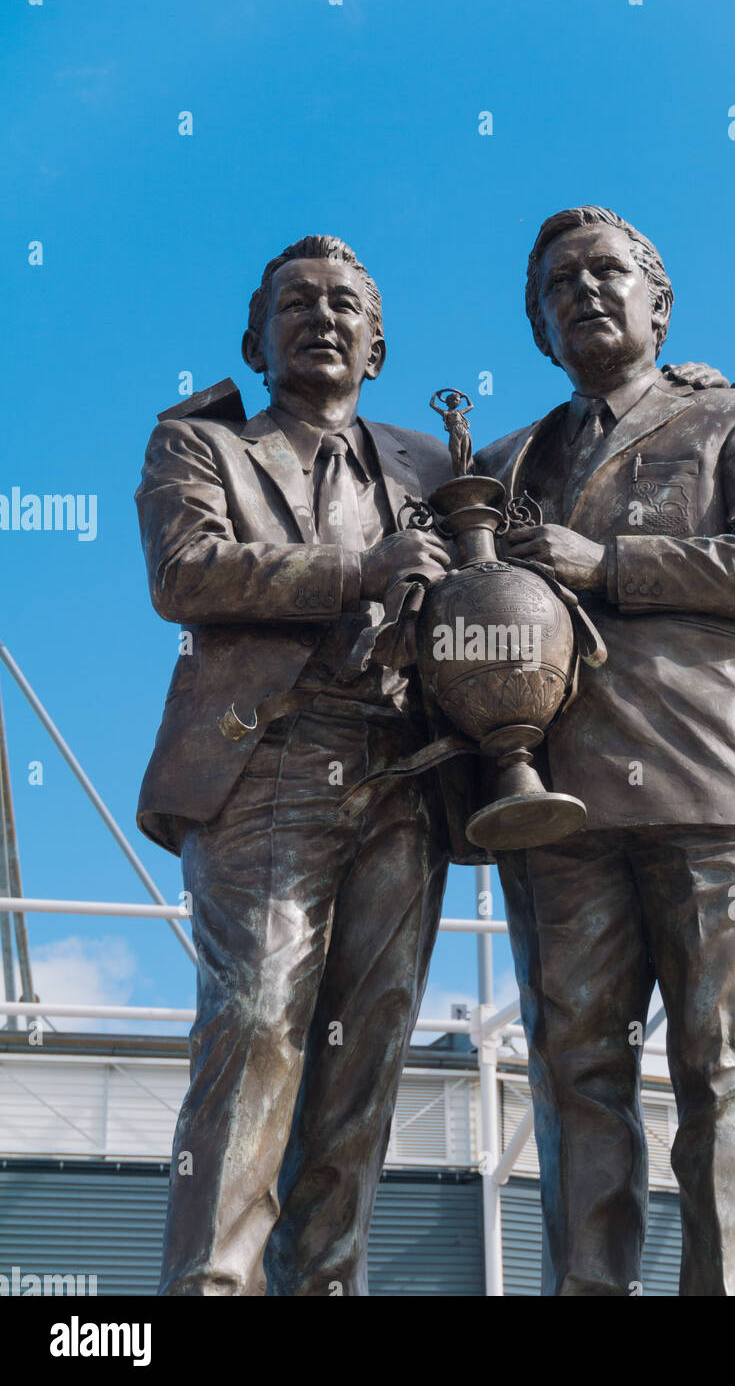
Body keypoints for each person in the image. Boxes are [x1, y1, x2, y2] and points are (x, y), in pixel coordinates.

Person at [474, 205, 735, 1296]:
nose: (583, 291)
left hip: (709, 779)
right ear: (538, 328)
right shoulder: (500, 464)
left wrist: (605, 561)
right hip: (560, 805)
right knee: (576, 1077)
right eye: (557, 284)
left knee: (730, 1070)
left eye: (606, 271)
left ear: (658, 302)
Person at [136, 235, 461, 1296]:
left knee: (365, 1053)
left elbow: (557, 473)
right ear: (255, 339)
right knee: (258, 1025)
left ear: (378, 344)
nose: (322, 318)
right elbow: (188, 573)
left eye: (344, 305)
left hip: (402, 772)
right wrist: (361, 569)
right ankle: (211, 1286)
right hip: (271, 758)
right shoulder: (199, 447)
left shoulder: (432, 463)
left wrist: (677, 376)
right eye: (297, 304)